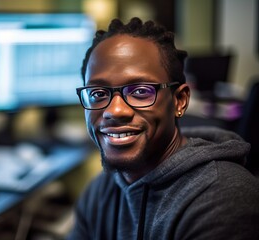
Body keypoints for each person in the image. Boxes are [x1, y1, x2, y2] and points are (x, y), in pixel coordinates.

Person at [68, 17, 259, 240]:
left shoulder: (225, 200)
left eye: (140, 91)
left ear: (179, 100)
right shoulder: (102, 189)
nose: (115, 111)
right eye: (98, 94)